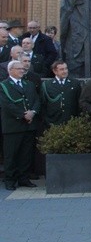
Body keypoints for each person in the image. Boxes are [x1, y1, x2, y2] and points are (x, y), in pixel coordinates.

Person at [0, 60, 40, 190]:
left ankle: (24, 178)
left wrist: (32, 112)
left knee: (26, 154)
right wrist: (23, 114)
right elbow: (6, 104)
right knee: (11, 155)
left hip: (28, 125)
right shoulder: (4, 85)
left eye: (23, 69)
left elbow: (35, 100)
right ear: (10, 70)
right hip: (13, 125)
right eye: (19, 69)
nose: (22, 70)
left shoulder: (28, 84)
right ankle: (10, 179)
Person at [40, 61, 81, 127]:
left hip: (71, 121)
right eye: (62, 69)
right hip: (53, 122)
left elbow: (79, 102)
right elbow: (43, 104)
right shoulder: (47, 85)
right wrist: (47, 120)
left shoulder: (75, 83)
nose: (65, 71)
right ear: (55, 71)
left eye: (66, 68)